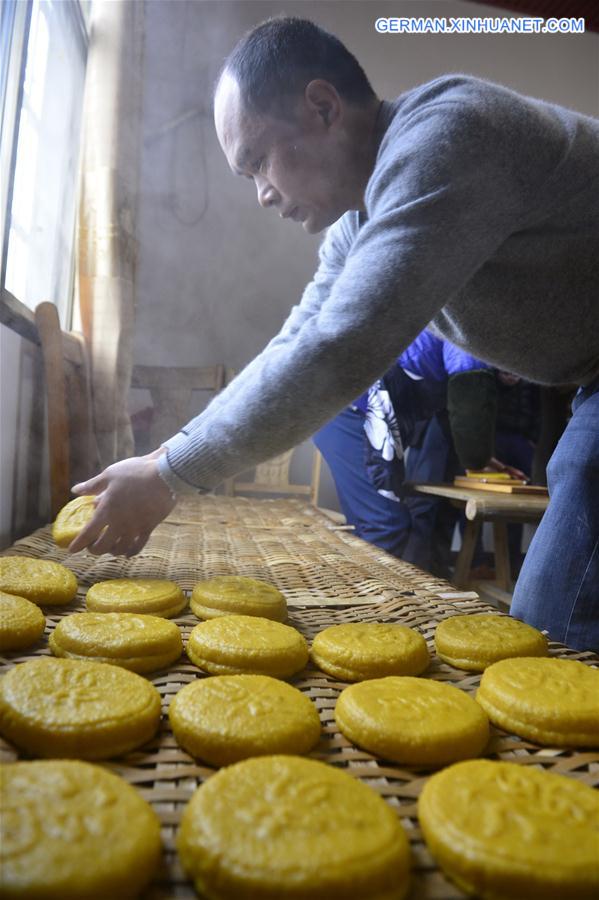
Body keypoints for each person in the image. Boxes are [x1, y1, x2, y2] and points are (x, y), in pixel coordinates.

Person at [70, 18, 599, 651]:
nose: (263, 194)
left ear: (323, 107)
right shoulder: (356, 221)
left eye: (259, 161)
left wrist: (169, 476)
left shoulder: (449, 133)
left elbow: (340, 347)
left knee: (556, 624)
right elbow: (299, 338)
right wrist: (166, 457)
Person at [313, 329, 522, 570]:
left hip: (345, 407)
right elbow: (469, 414)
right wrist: (477, 458)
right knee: (386, 525)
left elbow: (452, 421)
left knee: (374, 524)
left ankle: (358, 598)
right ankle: (378, 604)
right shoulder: (472, 341)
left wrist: (487, 462)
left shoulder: (461, 337)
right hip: (354, 411)